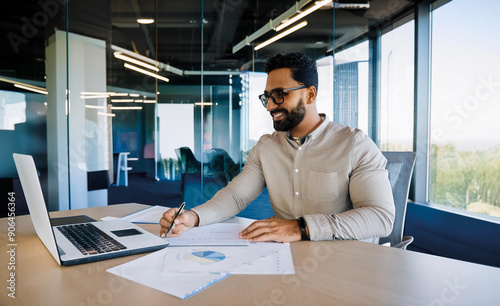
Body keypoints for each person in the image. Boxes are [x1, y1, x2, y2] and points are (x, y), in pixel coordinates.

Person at [160, 52, 395, 243]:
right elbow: (235, 197)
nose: (270, 105)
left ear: (310, 94)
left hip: (346, 260)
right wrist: (193, 216)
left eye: (280, 95)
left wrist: (300, 228)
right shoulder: (266, 147)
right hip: (285, 256)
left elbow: (380, 217)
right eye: (267, 97)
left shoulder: (354, 145)